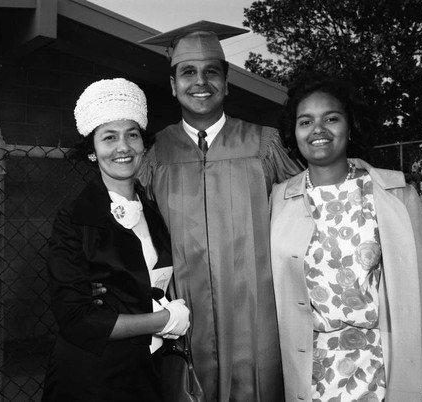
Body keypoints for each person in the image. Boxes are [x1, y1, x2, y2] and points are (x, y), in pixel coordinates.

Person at [135, 20, 302, 402]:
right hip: (182, 316)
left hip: (259, 316)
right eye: (188, 72)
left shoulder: (264, 145)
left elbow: (311, 204)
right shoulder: (154, 154)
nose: (200, 82)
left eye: (212, 72)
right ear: (173, 84)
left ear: (226, 84)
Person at [270, 75, 422, 401]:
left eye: (331, 118)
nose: (318, 129)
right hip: (310, 370)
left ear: (350, 127)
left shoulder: (396, 193)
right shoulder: (279, 199)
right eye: (306, 121)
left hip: (382, 367)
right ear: (294, 132)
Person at [42, 78, 190, 402]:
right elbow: (76, 320)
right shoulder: (75, 219)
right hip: (92, 379)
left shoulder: (152, 211)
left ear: (143, 144)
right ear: (93, 150)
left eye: (131, 135)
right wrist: (164, 320)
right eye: (109, 137)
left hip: (145, 372)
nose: (123, 147)